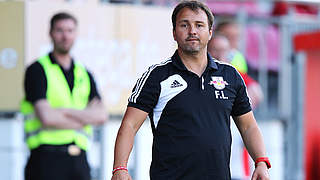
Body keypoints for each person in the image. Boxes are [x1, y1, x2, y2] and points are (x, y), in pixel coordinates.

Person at [112, 1, 270, 180]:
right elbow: (129, 125)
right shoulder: (156, 76)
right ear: (174, 33)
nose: (192, 31)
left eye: (199, 25)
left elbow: (248, 126)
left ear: (210, 32)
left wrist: (261, 161)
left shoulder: (230, 75)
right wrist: (120, 168)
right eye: (184, 25)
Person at [21, 12, 108, 180]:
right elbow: (47, 117)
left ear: (76, 34)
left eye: (70, 30)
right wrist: (84, 119)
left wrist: (64, 111)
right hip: (46, 160)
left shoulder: (84, 73)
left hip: (79, 160)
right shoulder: (37, 70)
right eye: (60, 30)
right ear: (51, 33)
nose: (65, 36)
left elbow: (101, 116)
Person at [208, 34, 264, 180]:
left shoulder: (232, 74)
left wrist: (237, 107)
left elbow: (257, 92)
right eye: (215, 50)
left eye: (224, 50)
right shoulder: (198, 74)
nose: (220, 54)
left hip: (234, 164)